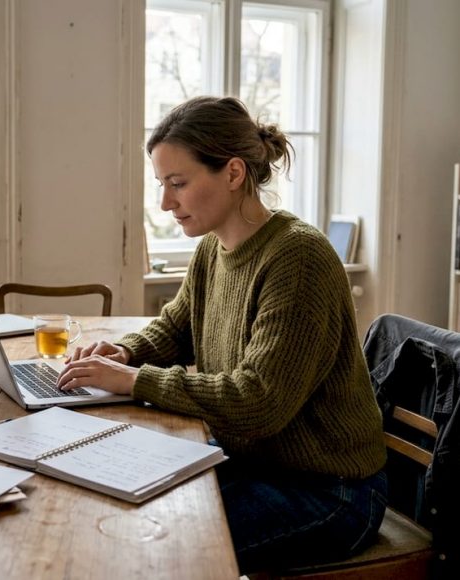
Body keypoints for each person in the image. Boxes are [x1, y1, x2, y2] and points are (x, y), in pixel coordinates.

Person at [56, 96, 388, 574]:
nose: (165, 203)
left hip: (331, 491)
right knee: (115, 510)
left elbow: (259, 401)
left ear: (233, 174)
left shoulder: (298, 259)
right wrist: (125, 352)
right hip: (256, 465)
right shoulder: (214, 248)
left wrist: (132, 380)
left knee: (150, 549)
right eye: (162, 185)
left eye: (178, 184)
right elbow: (176, 328)